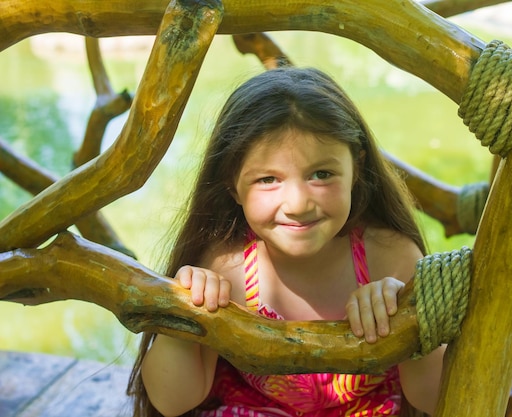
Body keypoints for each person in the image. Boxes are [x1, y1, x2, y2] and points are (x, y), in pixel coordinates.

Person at [127, 67, 445, 417]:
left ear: (357, 166)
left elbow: (435, 400)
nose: (297, 204)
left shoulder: (390, 258)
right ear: (233, 185)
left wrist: (410, 318)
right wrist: (182, 315)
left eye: (321, 174)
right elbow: (174, 402)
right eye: (267, 179)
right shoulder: (227, 269)